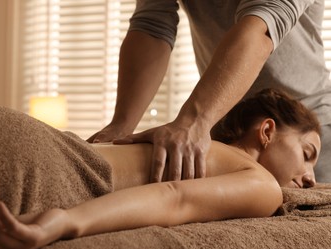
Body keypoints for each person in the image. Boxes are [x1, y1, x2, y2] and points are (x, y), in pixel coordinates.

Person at [0, 88, 321, 249]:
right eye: (308, 155)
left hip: (2, 127)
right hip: (38, 161)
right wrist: (63, 222)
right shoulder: (261, 184)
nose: (311, 179)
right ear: (267, 131)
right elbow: (173, 199)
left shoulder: (197, 150)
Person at [87, 0, 331, 183]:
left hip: (301, 128)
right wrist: (121, 126)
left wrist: (194, 121)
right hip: (228, 122)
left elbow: (261, 26)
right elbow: (152, 26)